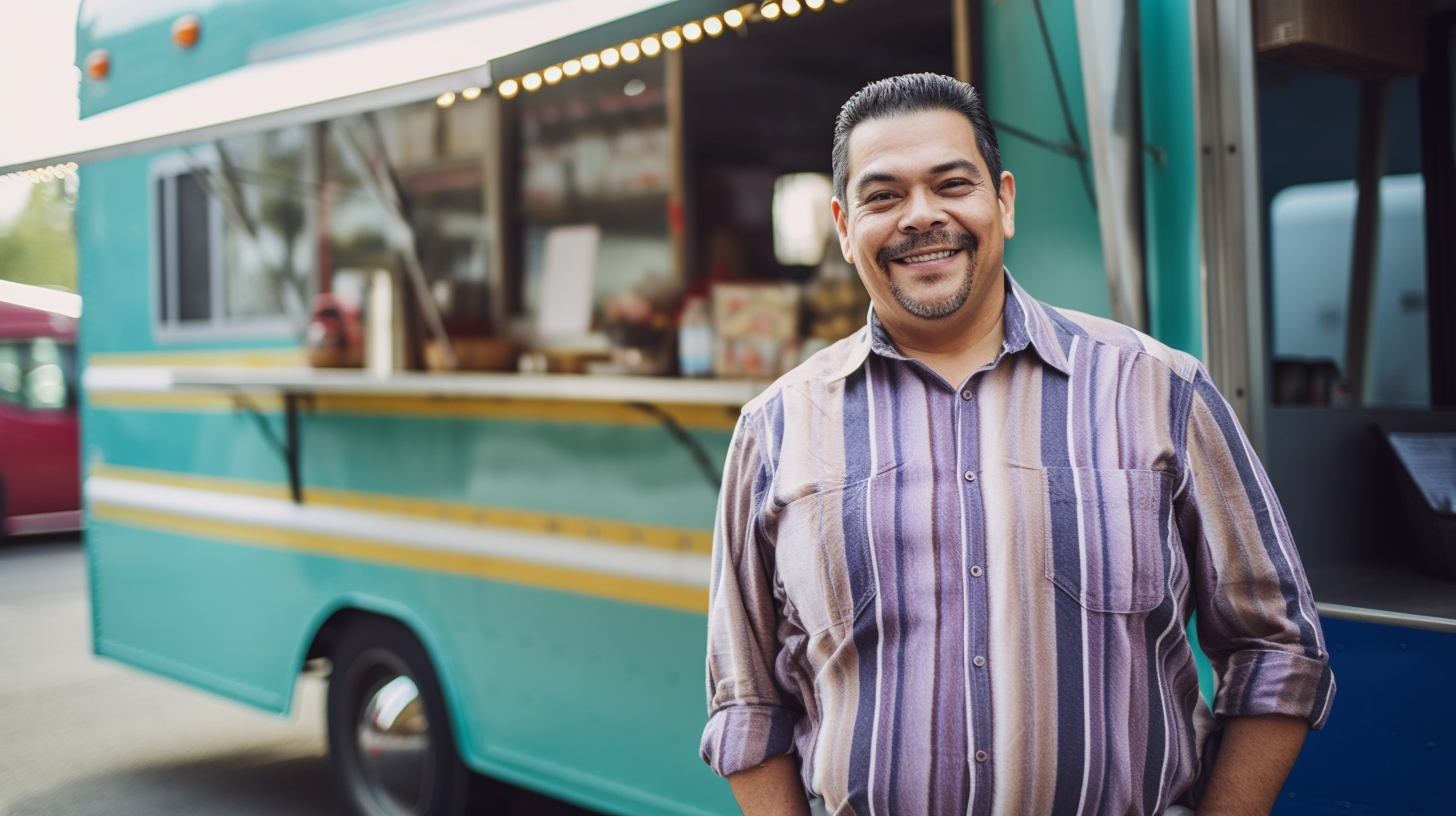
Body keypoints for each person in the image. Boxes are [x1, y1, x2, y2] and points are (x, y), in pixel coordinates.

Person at [700, 73, 1333, 816]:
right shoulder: (775, 428)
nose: (921, 216)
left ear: (1003, 202)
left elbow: (1277, 648)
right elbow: (745, 701)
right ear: (844, 226)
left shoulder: (1158, 388)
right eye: (883, 196)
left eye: (951, 184)